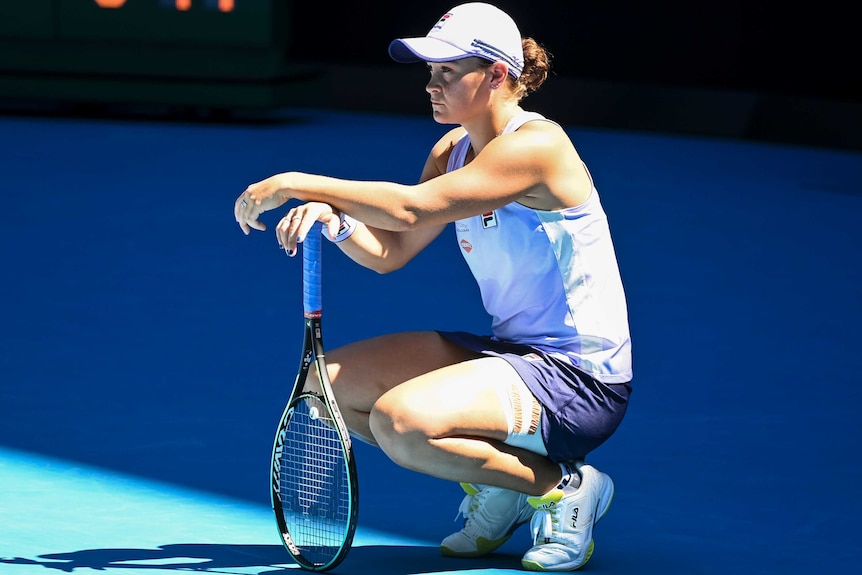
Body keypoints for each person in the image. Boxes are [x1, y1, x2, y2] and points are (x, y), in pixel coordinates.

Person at [234, 2, 632, 571]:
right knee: (330, 390)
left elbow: (410, 207)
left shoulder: (536, 147)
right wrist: (335, 220)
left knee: (403, 423)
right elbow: (391, 251)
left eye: (448, 71)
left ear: (497, 75)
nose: (432, 84)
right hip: (513, 355)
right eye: (430, 71)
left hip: (579, 379)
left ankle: (561, 484)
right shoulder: (453, 151)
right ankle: (498, 483)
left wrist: (298, 182)